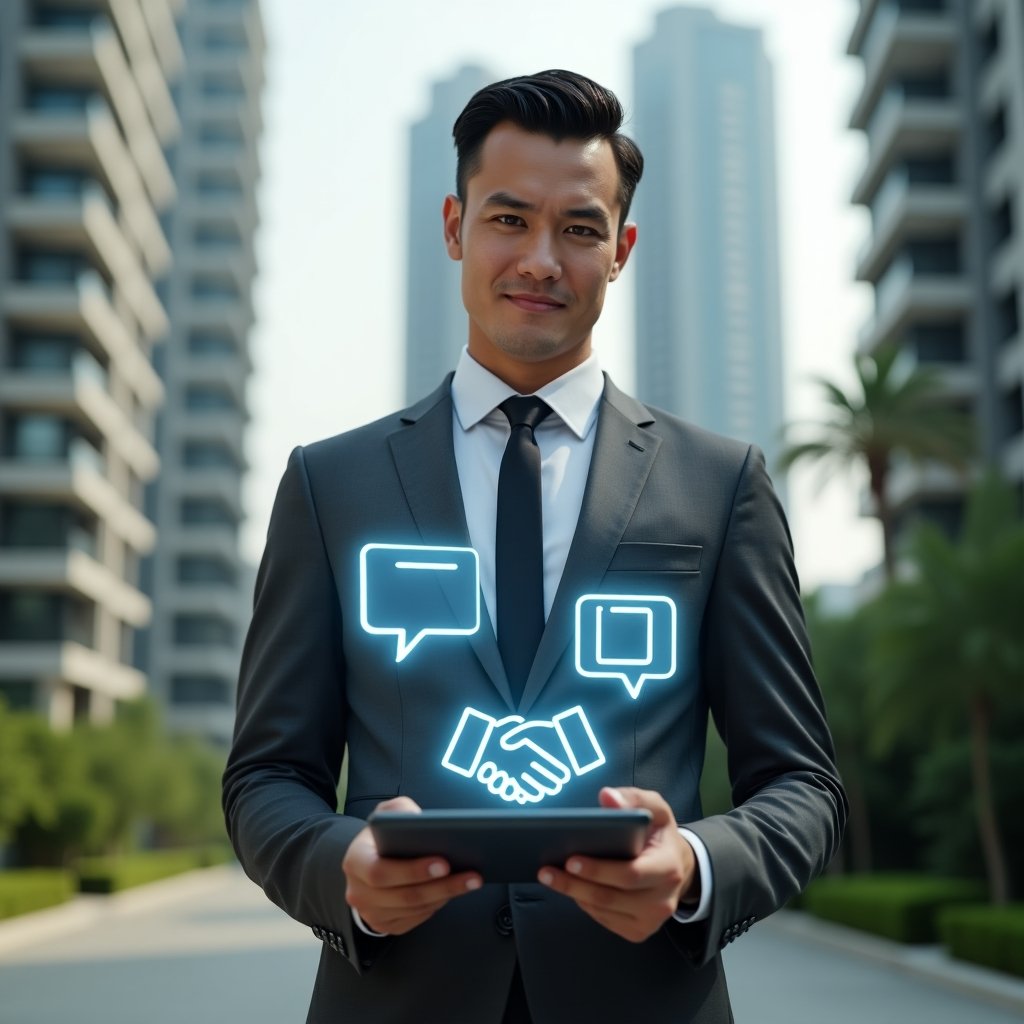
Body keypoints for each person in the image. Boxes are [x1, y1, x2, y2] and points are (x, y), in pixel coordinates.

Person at [223, 69, 846, 1023]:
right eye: (509, 220)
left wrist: (693, 867)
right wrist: (339, 869)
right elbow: (268, 774)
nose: (543, 259)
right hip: (395, 998)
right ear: (453, 228)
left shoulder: (720, 487)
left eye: (581, 229)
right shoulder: (330, 486)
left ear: (622, 248)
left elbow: (800, 780)